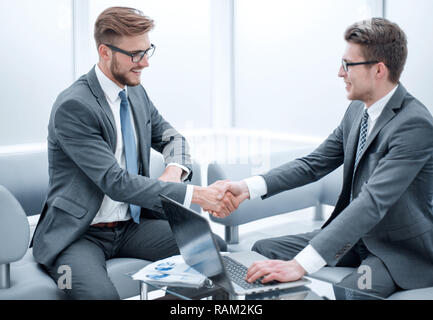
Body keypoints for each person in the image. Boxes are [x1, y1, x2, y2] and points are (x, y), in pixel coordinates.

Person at [215, 18, 433, 299]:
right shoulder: (357, 111)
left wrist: (300, 265)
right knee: (264, 252)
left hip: (395, 250)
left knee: (357, 290)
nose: (339, 73)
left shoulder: (414, 125)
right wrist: (246, 188)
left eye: (347, 65)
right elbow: (313, 164)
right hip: (354, 239)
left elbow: (372, 203)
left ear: (379, 69)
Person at [31, 7, 237, 300]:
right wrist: (197, 195)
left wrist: (174, 171)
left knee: (214, 255)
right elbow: (116, 182)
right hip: (78, 235)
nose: (146, 63)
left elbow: (174, 139)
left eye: (147, 50)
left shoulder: (135, 92)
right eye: (136, 54)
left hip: (131, 226)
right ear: (105, 52)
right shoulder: (74, 107)